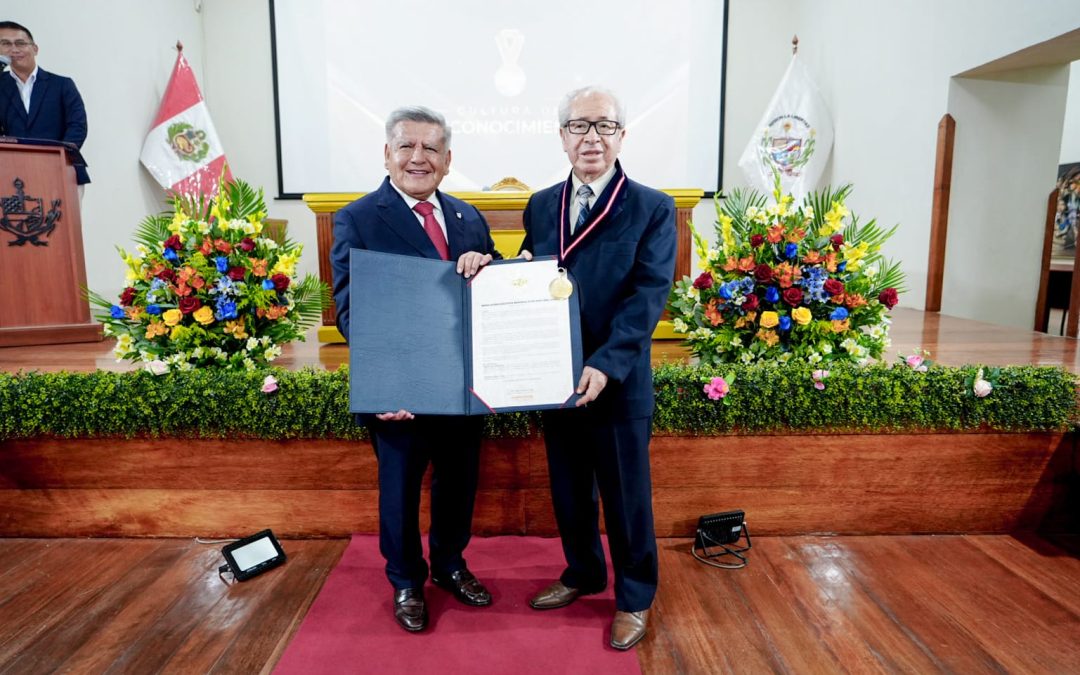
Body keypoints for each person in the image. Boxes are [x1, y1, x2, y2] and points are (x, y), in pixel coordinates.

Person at [330, 106, 500, 633]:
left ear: (448, 160)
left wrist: (489, 267)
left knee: (458, 484)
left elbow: (489, 293)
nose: (418, 158)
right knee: (399, 490)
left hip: (460, 387)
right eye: (407, 146)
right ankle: (406, 579)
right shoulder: (358, 217)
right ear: (387, 153)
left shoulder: (469, 217)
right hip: (398, 392)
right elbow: (349, 310)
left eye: (431, 148)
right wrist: (386, 380)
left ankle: (449, 565)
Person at [519, 86, 676, 650]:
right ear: (561, 136)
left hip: (617, 379)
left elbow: (647, 297)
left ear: (622, 136)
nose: (591, 137)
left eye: (604, 127)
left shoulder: (652, 207)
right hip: (554, 376)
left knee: (626, 496)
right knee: (569, 491)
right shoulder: (540, 204)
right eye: (579, 126)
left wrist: (606, 365)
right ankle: (584, 573)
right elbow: (534, 277)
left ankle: (634, 596)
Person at [0, 21, 90, 186]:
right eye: (5, 44)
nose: (14, 49)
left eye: (20, 43)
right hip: (10, 175)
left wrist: (58, 158)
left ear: (35, 49)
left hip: (62, 170)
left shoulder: (62, 84)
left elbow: (77, 126)